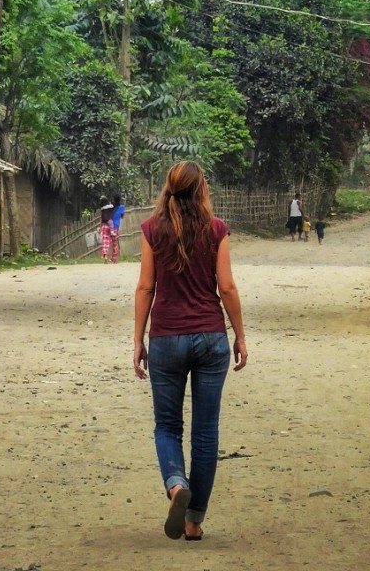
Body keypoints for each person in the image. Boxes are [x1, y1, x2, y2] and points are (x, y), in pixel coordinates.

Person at [133, 161, 247, 542]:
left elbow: (145, 288)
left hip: (166, 338)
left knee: (167, 426)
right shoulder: (217, 230)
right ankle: (194, 520)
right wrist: (240, 336)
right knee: (206, 430)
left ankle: (176, 484)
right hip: (211, 338)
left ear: (169, 188)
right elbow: (227, 288)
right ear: (202, 190)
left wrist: (138, 340)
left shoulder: (151, 230)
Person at [110, 194, 126, 264]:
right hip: (116, 226)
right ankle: (114, 258)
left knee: (112, 242)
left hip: (110, 226)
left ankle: (113, 258)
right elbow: (122, 217)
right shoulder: (122, 207)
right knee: (114, 242)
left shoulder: (111, 207)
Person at [99, 197, 115, 264]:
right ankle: (112, 232)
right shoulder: (110, 208)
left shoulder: (102, 210)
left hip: (104, 226)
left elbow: (101, 220)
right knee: (109, 242)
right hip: (110, 225)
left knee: (104, 242)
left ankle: (105, 255)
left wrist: (100, 227)